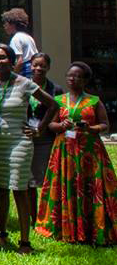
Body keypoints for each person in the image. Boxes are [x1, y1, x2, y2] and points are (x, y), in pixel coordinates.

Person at [0, 44, 58, 254]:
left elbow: (53, 105)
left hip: (19, 142)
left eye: (2, 58)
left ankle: (25, 241)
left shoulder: (24, 83)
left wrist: (39, 129)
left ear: (11, 60)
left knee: (19, 189)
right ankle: (2, 235)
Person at [36, 62, 117, 245]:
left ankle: (93, 228)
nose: (73, 79)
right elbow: (50, 124)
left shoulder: (94, 101)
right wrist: (61, 126)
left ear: (85, 80)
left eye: (78, 76)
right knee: (67, 185)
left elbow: (105, 125)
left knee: (90, 187)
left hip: (89, 151)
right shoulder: (58, 101)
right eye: (70, 76)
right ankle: (64, 228)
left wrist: (91, 128)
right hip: (64, 151)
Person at [26, 53, 63, 224]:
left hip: (46, 139)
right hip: (25, 137)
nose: (39, 68)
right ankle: (33, 218)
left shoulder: (55, 90)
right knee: (28, 181)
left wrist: (42, 129)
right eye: (35, 65)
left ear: (48, 67)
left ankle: (48, 217)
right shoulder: (23, 86)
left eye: (42, 65)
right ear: (31, 66)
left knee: (47, 179)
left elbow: (58, 113)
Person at [2, 8, 37, 77]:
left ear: (12, 24)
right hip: (33, 70)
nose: (4, 26)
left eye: (6, 23)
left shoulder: (16, 39)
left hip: (25, 72)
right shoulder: (28, 37)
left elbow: (19, 61)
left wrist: (12, 76)